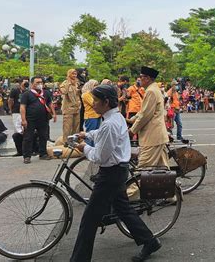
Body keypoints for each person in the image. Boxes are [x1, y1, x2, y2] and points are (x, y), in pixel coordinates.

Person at [70, 85, 160, 262]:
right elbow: (103, 136)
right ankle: (150, 241)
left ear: (106, 102)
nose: (93, 104)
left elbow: (99, 157)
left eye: (96, 101)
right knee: (123, 209)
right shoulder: (115, 117)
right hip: (118, 171)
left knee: (89, 220)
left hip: (110, 174)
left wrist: (83, 147)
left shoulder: (110, 124)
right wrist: (87, 134)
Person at [127, 67, 169, 197]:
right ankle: (171, 194)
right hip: (158, 136)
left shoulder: (151, 91)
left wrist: (132, 130)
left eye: (142, 77)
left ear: (148, 78)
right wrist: (131, 120)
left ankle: (127, 197)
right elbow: (143, 112)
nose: (140, 79)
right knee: (163, 169)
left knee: (142, 169)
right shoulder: (153, 89)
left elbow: (146, 115)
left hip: (152, 137)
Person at [20, 76, 57, 164]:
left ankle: (43, 154)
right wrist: (23, 119)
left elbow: (50, 103)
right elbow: (22, 107)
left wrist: (54, 113)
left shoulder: (46, 93)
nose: (39, 84)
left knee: (43, 136)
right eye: (37, 82)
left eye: (41, 82)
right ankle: (27, 156)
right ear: (32, 84)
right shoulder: (27, 94)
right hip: (30, 119)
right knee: (28, 137)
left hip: (43, 119)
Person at [8, 78, 29, 156]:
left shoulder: (27, 91)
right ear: (21, 83)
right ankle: (19, 150)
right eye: (25, 81)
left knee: (26, 130)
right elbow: (10, 100)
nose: (26, 83)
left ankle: (26, 149)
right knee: (18, 131)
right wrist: (11, 109)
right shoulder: (15, 91)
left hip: (26, 112)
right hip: (16, 111)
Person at [60, 69, 81, 142]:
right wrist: (68, 83)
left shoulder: (77, 83)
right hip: (68, 109)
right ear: (69, 74)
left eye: (75, 74)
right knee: (67, 127)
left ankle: (74, 142)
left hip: (76, 108)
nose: (75, 75)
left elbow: (78, 95)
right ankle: (66, 142)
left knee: (76, 127)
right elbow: (64, 92)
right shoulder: (65, 83)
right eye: (73, 74)